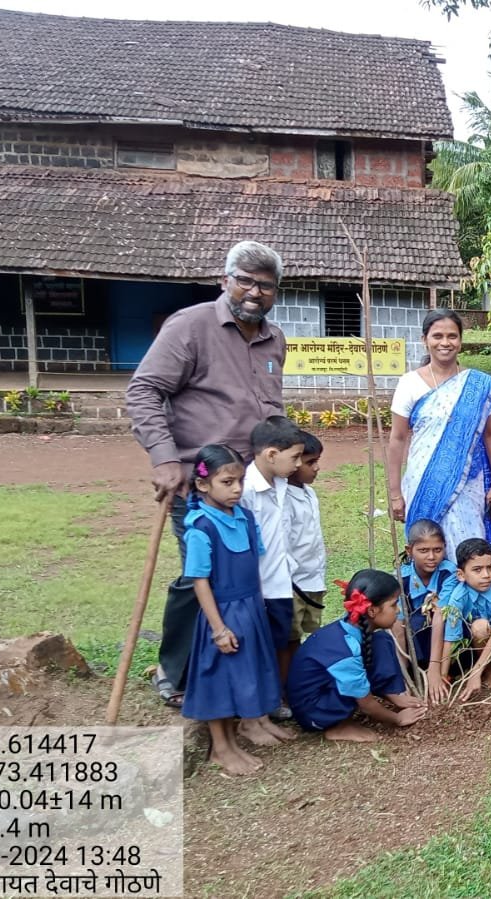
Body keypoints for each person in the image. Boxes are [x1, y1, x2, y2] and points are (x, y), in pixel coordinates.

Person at [127, 240, 287, 708]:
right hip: (200, 481)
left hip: (255, 480)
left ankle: (240, 668)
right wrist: (163, 458)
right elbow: (144, 391)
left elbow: (271, 408)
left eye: (266, 286)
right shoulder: (191, 327)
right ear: (226, 280)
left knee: (246, 573)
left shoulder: (274, 339)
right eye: (246, 281)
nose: (255, 293)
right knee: (201, 573)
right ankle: (174, 672)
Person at [386, 309, 491, 595]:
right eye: (437, 336)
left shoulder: (477, 384)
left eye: (452, 336)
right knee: (427, 552)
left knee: (470, 550)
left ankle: (472, 625)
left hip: (468, 487)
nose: (445, 342)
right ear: (425, 340)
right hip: (422, 483)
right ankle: (427, 622)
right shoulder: (410, 383)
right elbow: (397, 439)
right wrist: (395, 494)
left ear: (460, 340)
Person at [179, 444, 288, 776]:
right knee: (219, 680)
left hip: (249, 609)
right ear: (202, 485)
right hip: (223, 615)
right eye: (227, 482)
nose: (237, 489)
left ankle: (235, 737)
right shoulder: (201, 527)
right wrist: (218, 628)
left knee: (241, 676)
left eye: (239, 481)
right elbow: (200, 582)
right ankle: (220, 748)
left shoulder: (243, 517)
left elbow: (253, 564)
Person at [285, 569, 429, 742]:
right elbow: (366, 705)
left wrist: (391, 697)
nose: (397, 610)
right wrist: (396, 719)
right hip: (314, 712)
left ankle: (392, 693)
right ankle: (337, 727)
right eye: (393, 605)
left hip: (324, 692)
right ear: (372, 611)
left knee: (381, 641)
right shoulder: (345, 651)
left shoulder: (350, 628)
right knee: (353, 681)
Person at [239, 415, 306, 713]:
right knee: (256, 647)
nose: (298, 464)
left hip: (281, 582)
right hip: (257, 585)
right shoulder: (245, 491)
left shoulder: (282, 485)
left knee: (279, 642)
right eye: (295, 457)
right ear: (271, 454)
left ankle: (274, 700)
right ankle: (257, 707)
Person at [430, 538, 491, 703]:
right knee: (480, 626)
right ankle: (489, 669)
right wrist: (442, 675)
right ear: (461, 575)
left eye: (490, 568)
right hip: (475, 641)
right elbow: (451, 638)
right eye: (477, 569)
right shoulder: (458, 596)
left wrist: (475, 674)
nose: (486, 575)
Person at [397, 519, 458, 672]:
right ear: (409, 551)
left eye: (437, 550)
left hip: (443, 634)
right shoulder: (400, 578)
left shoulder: (449, 573)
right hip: (413, 640)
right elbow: (398, 624)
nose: (431, 557)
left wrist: (435, 668)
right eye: (423, 551)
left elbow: (441, 614)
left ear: (445, 548)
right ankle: (407, 673)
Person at [287, 431, 327, 646]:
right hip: (294, 584)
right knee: (289, 640)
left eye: (317, 461)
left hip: (314, 578)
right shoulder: (282, 498)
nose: (317, 467)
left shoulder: (310, 494)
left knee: (312, 635)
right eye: (310, 462)